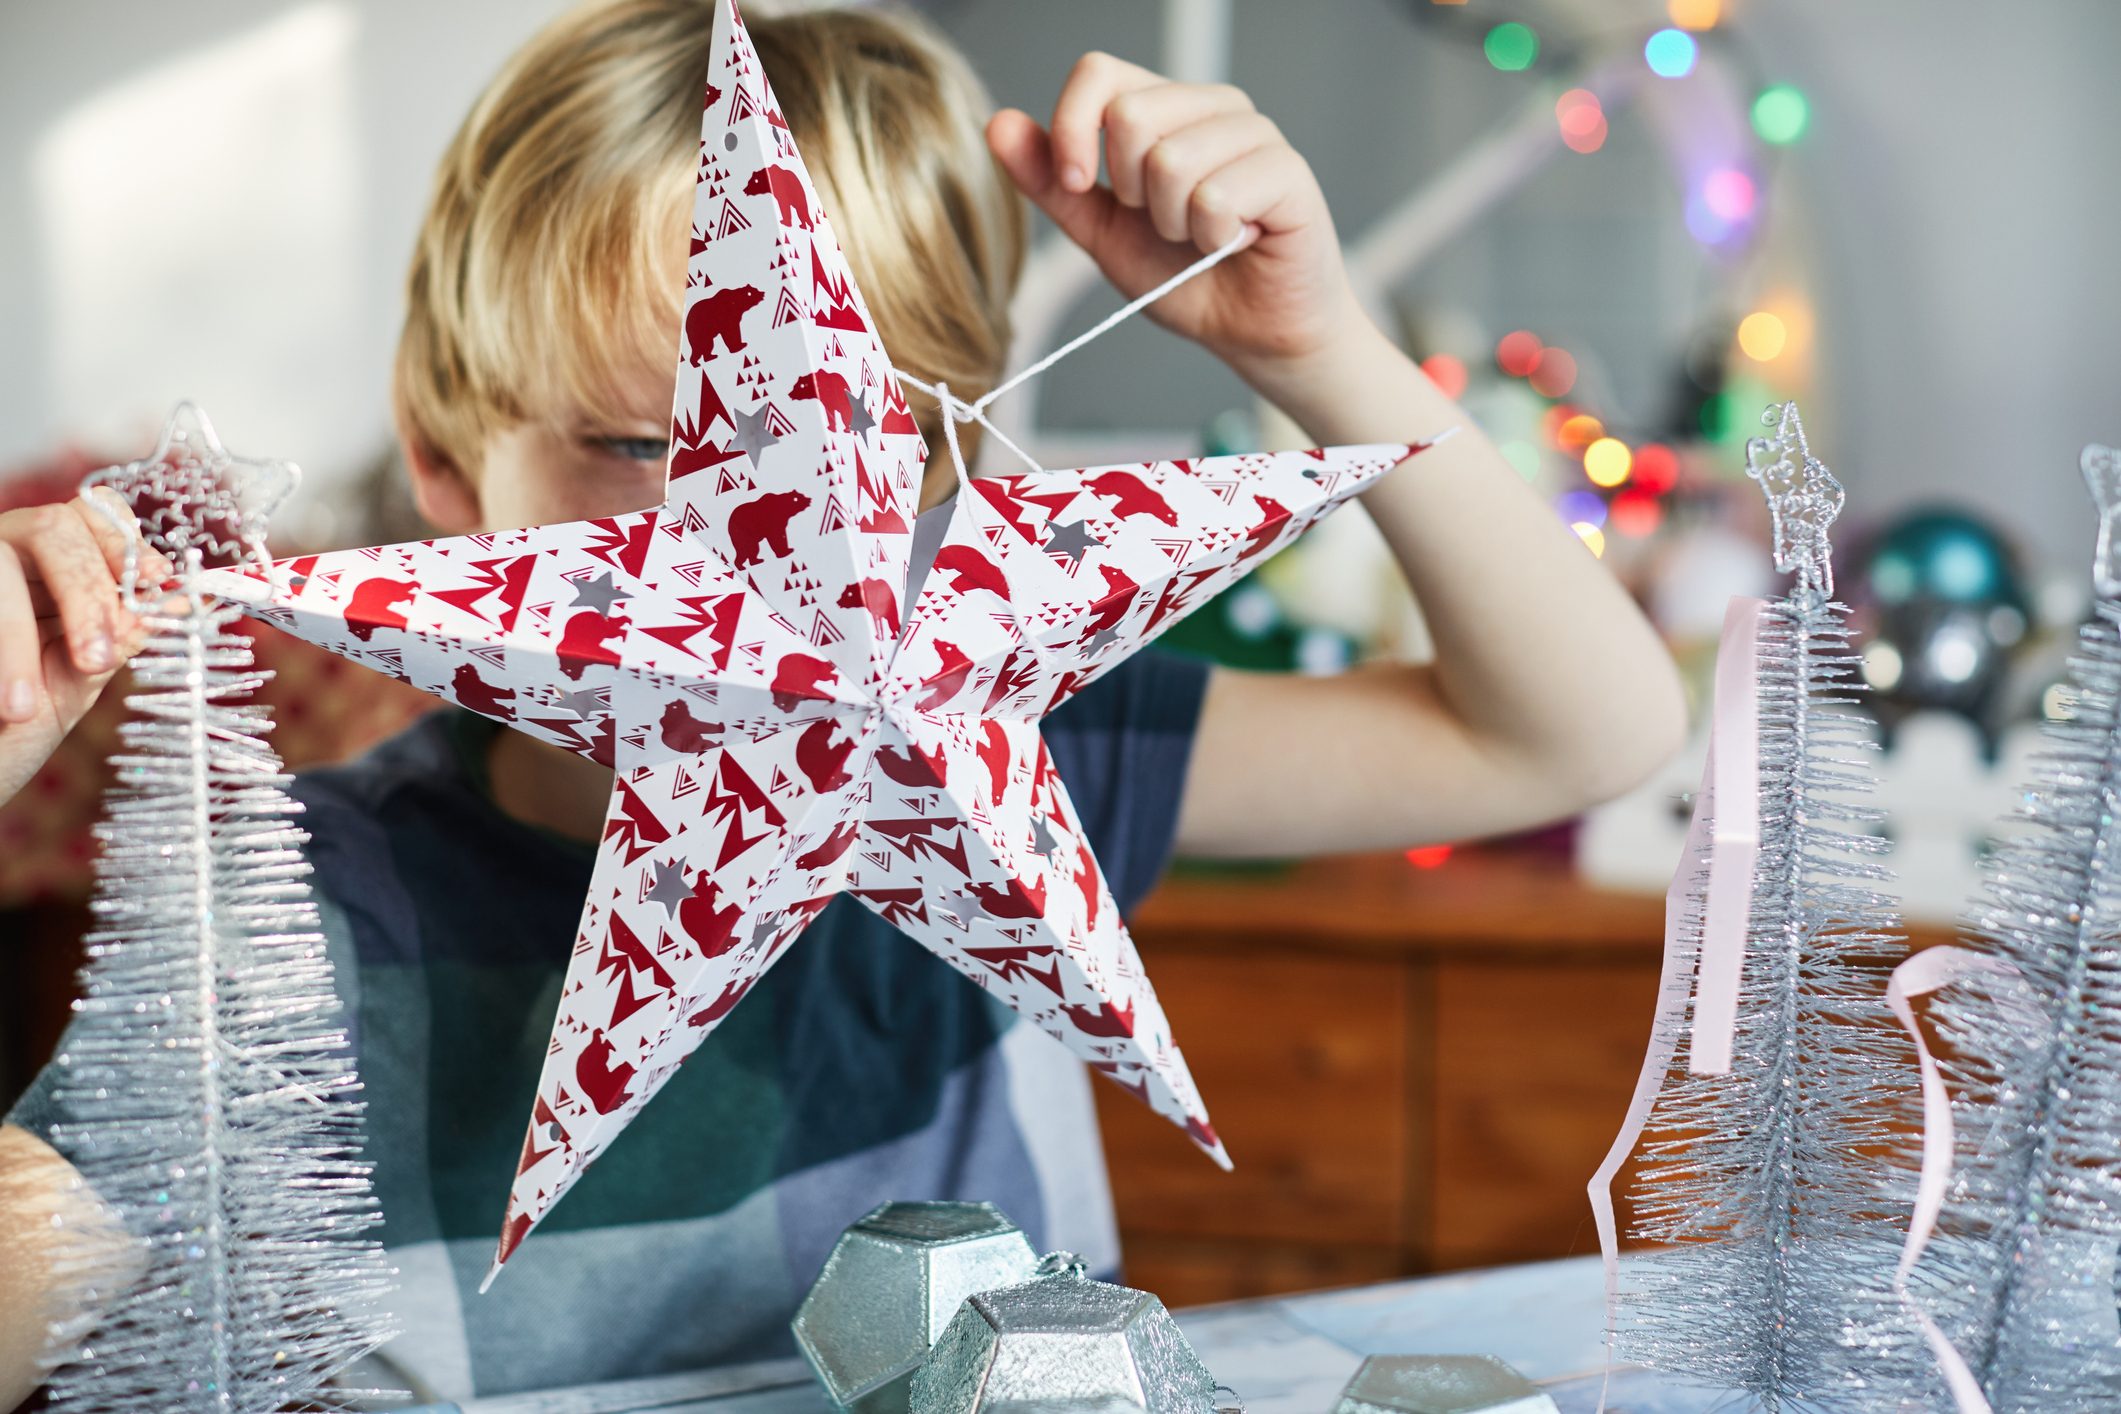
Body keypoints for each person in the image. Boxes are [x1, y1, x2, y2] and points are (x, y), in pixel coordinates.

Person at [0, 0, 1687, 1405]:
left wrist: (1320, 353)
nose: (741, 562)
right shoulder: (308, 910)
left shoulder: (1043, 756)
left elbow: (1581, 732)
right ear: (447, 462)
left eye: (853, 458)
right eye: (640, 449)